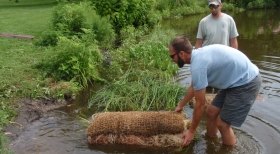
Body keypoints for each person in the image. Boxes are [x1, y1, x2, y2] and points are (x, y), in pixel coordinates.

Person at [168, 36, 261, 146]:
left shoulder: (198, 66)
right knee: (211, 112)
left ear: (182, 54)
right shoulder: (198, 56)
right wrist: (181, 105)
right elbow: (194, 87)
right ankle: (211, 141)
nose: (172, 59)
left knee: (223, 124)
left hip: (246, 82)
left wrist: (191, 131)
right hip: (234, 81)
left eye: (172, 56)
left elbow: (200, 104)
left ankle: (228, 150)